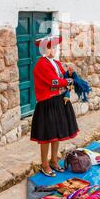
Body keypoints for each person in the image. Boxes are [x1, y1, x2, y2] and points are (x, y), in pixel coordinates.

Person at [30, 36, 79, 177]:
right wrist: (68, 80)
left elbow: (61, 76)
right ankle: (44, 164)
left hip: (57, 101)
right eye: (50, 47)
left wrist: (70, 73)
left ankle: (53, 160)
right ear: (44, 49)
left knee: (56, 133)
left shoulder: (56, 63)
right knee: (47, 134)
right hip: (47, 103)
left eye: (55, 47)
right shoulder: (41, 64)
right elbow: (54, 82)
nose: (53, 50)